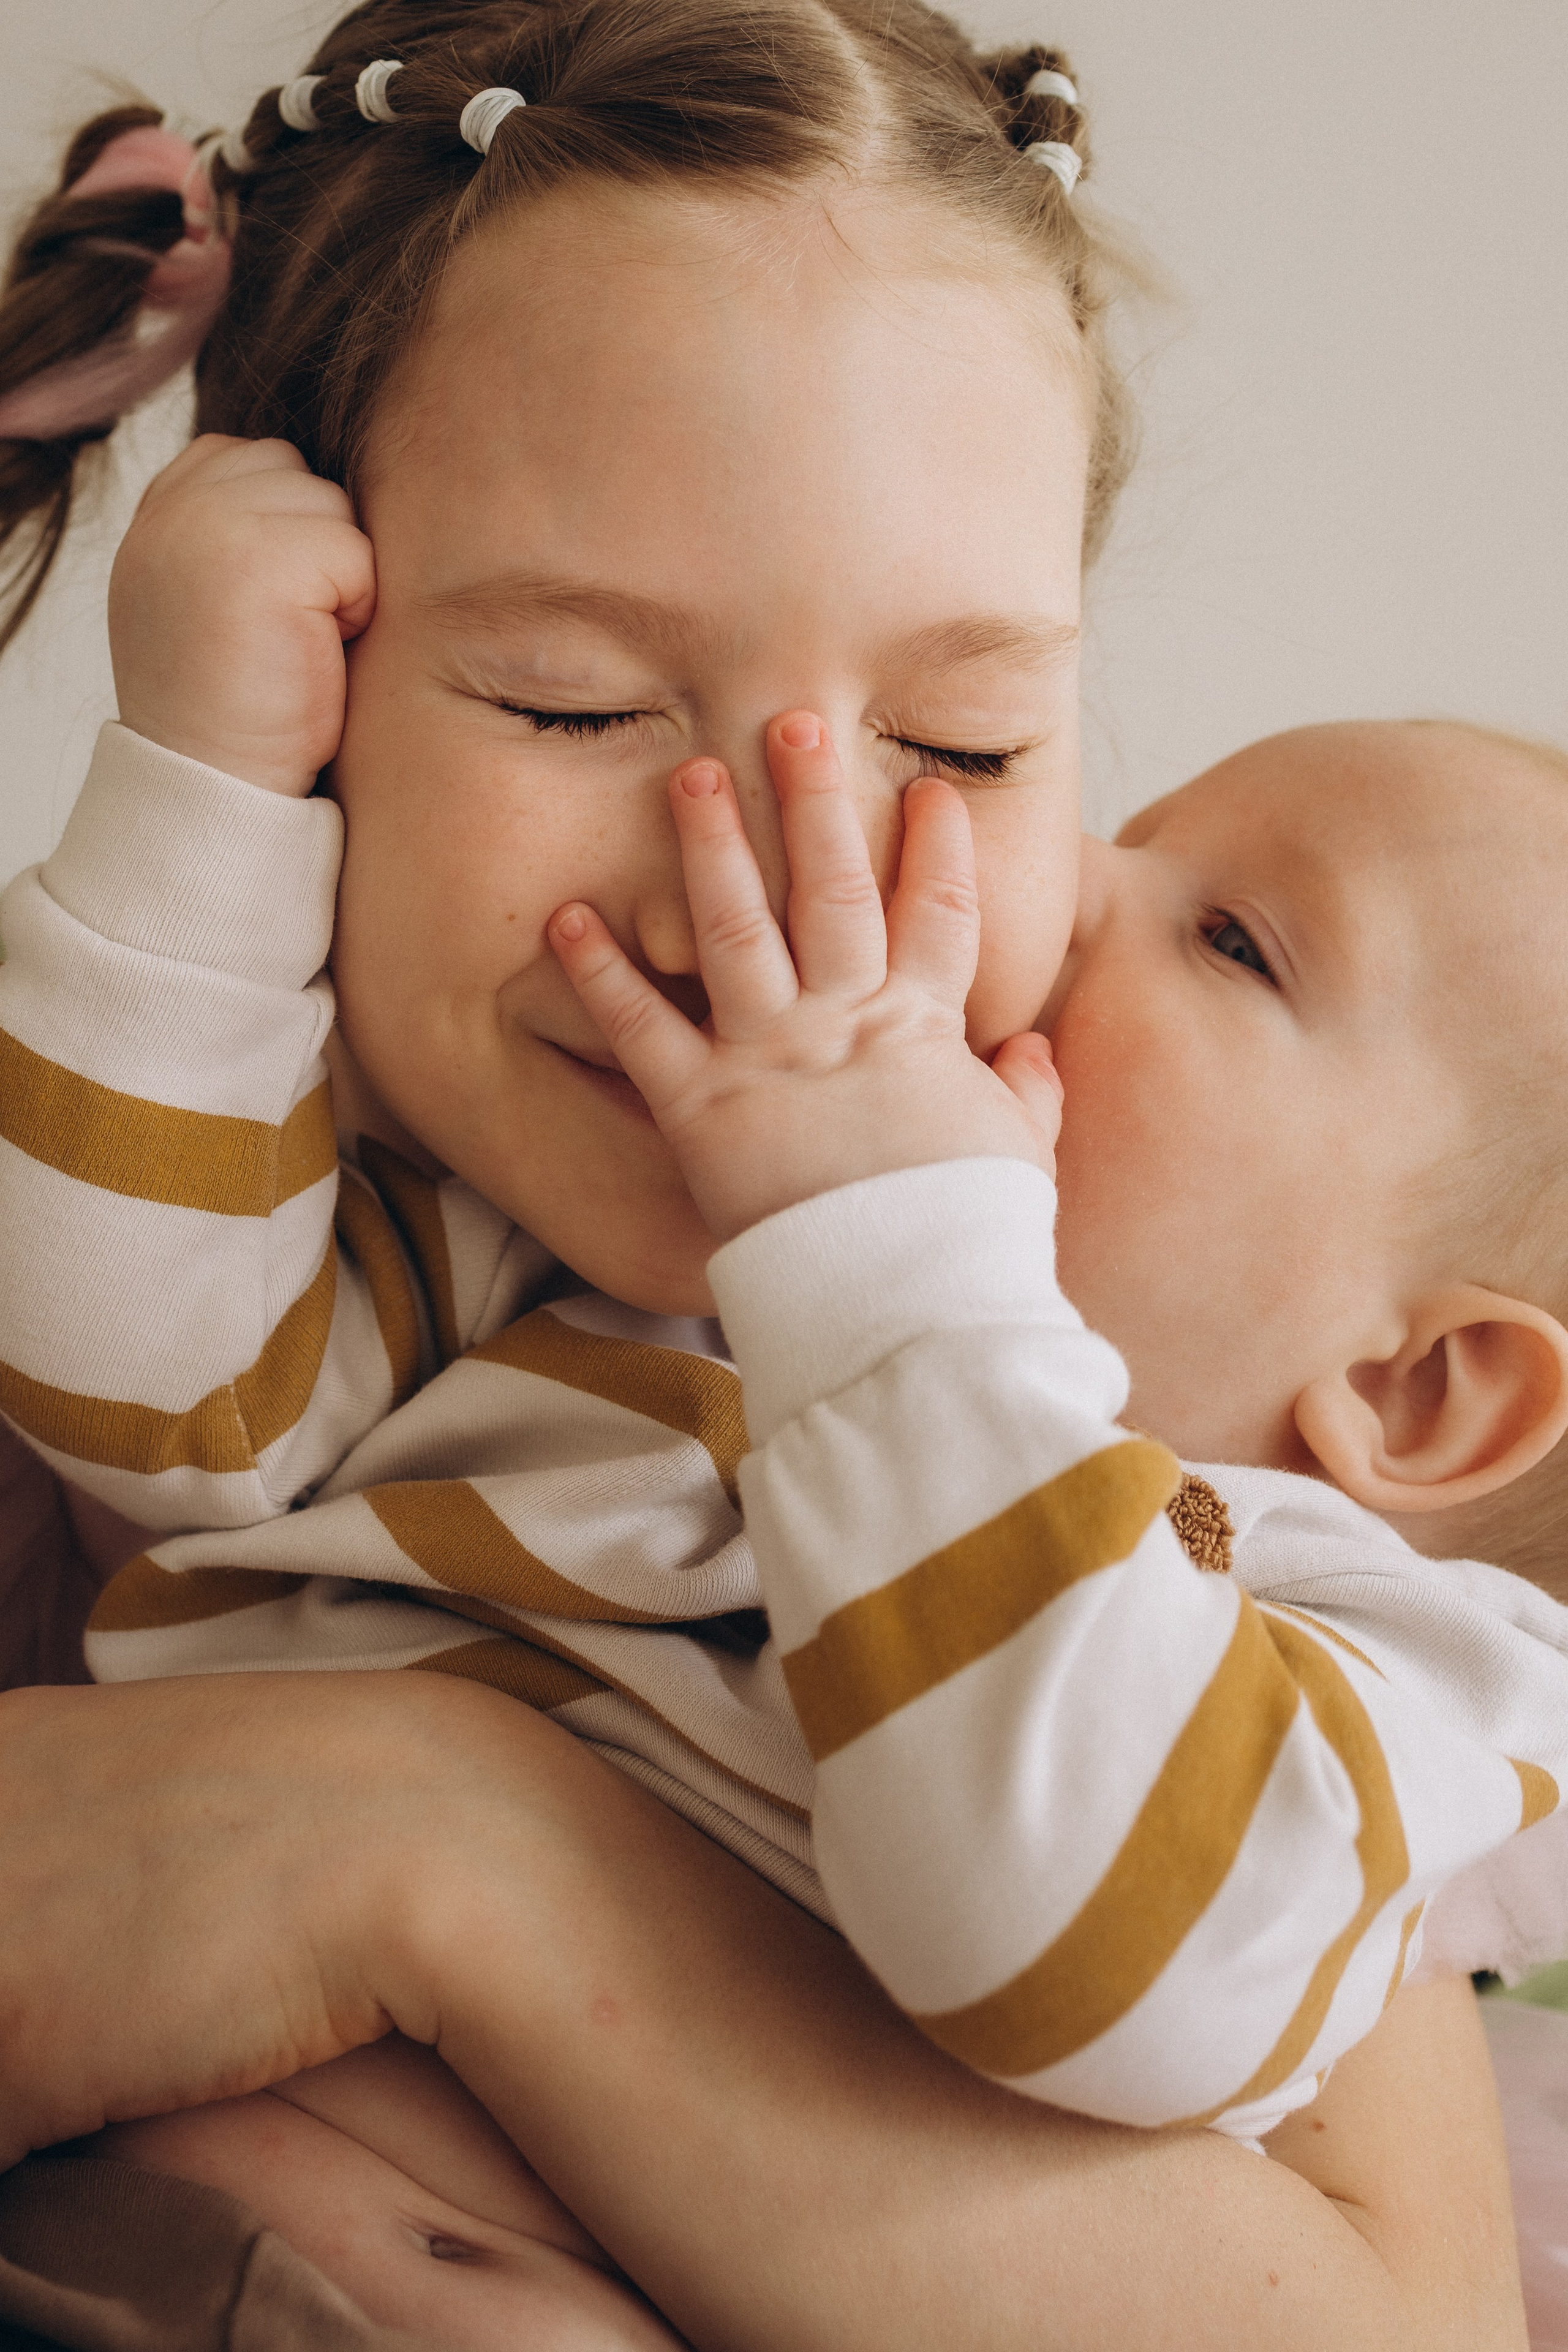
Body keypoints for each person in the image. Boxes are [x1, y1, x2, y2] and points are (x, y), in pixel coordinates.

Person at [0, 0, 1536, 2339]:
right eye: (577, 705)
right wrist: (191, 791)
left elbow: (1145, 2015)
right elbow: (149, 1399)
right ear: (323, 666)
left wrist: (888, 1264)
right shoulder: (521, 1292)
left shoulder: (1300, 1615)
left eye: (968, 738)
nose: (814, 870)